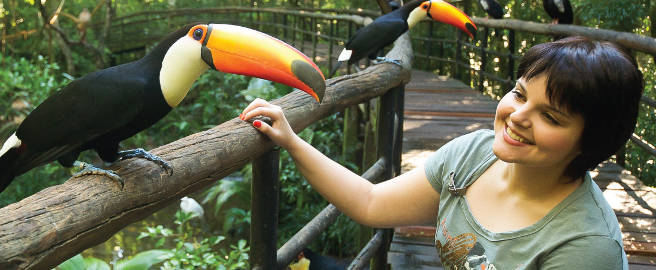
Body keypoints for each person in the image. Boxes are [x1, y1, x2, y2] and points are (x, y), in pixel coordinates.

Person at [240, 36, 643, 269]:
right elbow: (371, 202)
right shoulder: (474, 154)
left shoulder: (585, 247)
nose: (518, 116)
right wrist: (292, 140)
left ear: (590, 142)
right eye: (519, 94)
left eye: (551, 117)